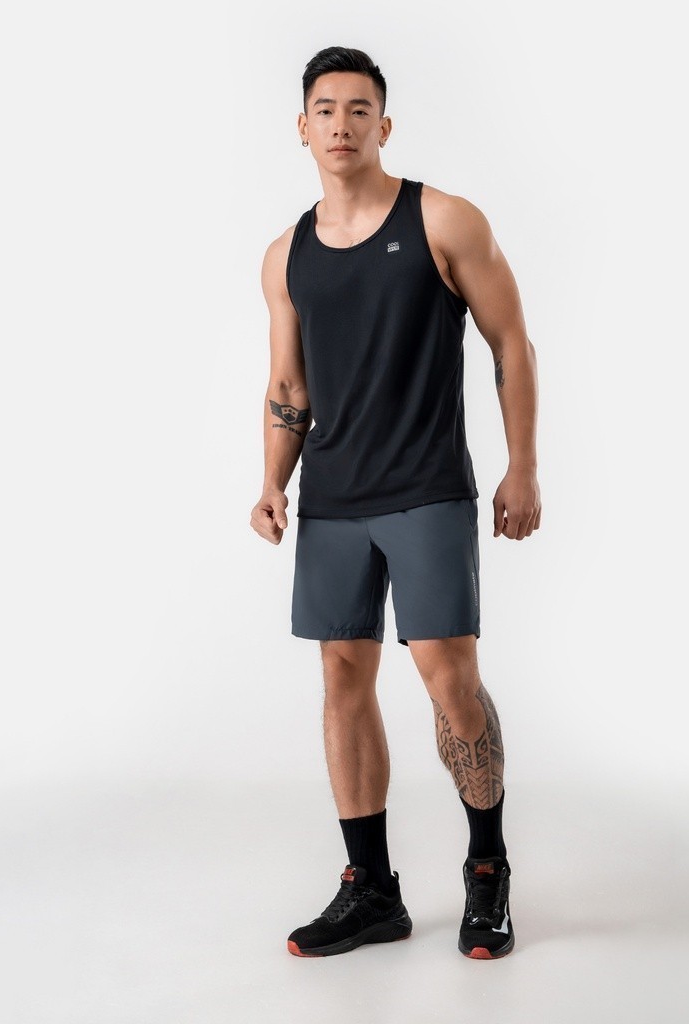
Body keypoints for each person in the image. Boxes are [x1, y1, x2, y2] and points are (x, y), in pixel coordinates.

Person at [249, 45, 540, 960]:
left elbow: (511, 342)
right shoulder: (286, 254)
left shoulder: (443, 219)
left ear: (384, 124)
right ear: (302, 127)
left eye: (358, 108)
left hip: (426, 489)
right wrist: (272, 481)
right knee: (342, 680)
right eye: (325, 109)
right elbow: (288, 384)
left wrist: (522, 467)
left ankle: (487, 865)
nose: (341, 124)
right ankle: (371, 889)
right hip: (334, 497)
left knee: (449, 679)